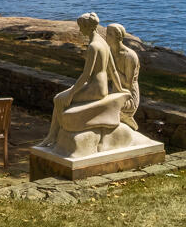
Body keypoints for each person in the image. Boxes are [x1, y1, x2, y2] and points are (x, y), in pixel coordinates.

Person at [43, 12, 130, 153]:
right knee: (60, 97)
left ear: (88, 28)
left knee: (59, 99)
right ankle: (52, 136)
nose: (79, 30)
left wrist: (71, 94)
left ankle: (52, 136)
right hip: (101, 87)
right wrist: (119, 88)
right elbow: (113, 71)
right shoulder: (103, 42)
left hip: (94, 88)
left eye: (81, 27)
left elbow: (86, 75)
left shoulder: (93, 47)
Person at [104, 22, 141, 130]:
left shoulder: (129, 56)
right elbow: (107, 77)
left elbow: (127, 83)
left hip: (129, 96)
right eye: (107, 33)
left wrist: (111, 69)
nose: (106, 37)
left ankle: (126, 119)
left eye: (110, 34)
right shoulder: (109, 52)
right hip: (115, 92)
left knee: (104, 107)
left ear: (118, 37)